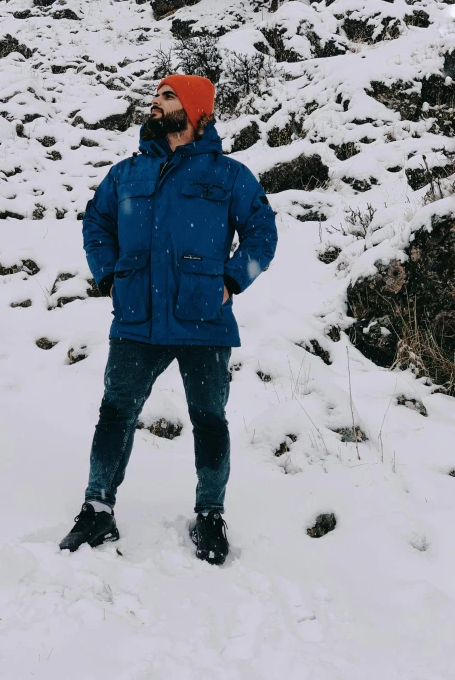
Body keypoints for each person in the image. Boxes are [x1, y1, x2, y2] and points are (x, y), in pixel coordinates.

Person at [59, 74, 278, 565]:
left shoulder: (229, 175)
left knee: (208, 419)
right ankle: (97, 508)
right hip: (138, 316)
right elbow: (96, 223)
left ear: (196, 111)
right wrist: (110, 275)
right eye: (155, 96)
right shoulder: (126, 173)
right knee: (116, 412)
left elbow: (263, 233)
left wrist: (232, 280)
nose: (155, 104)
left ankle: (210, 514)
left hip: (203, 317)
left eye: (167, 97)